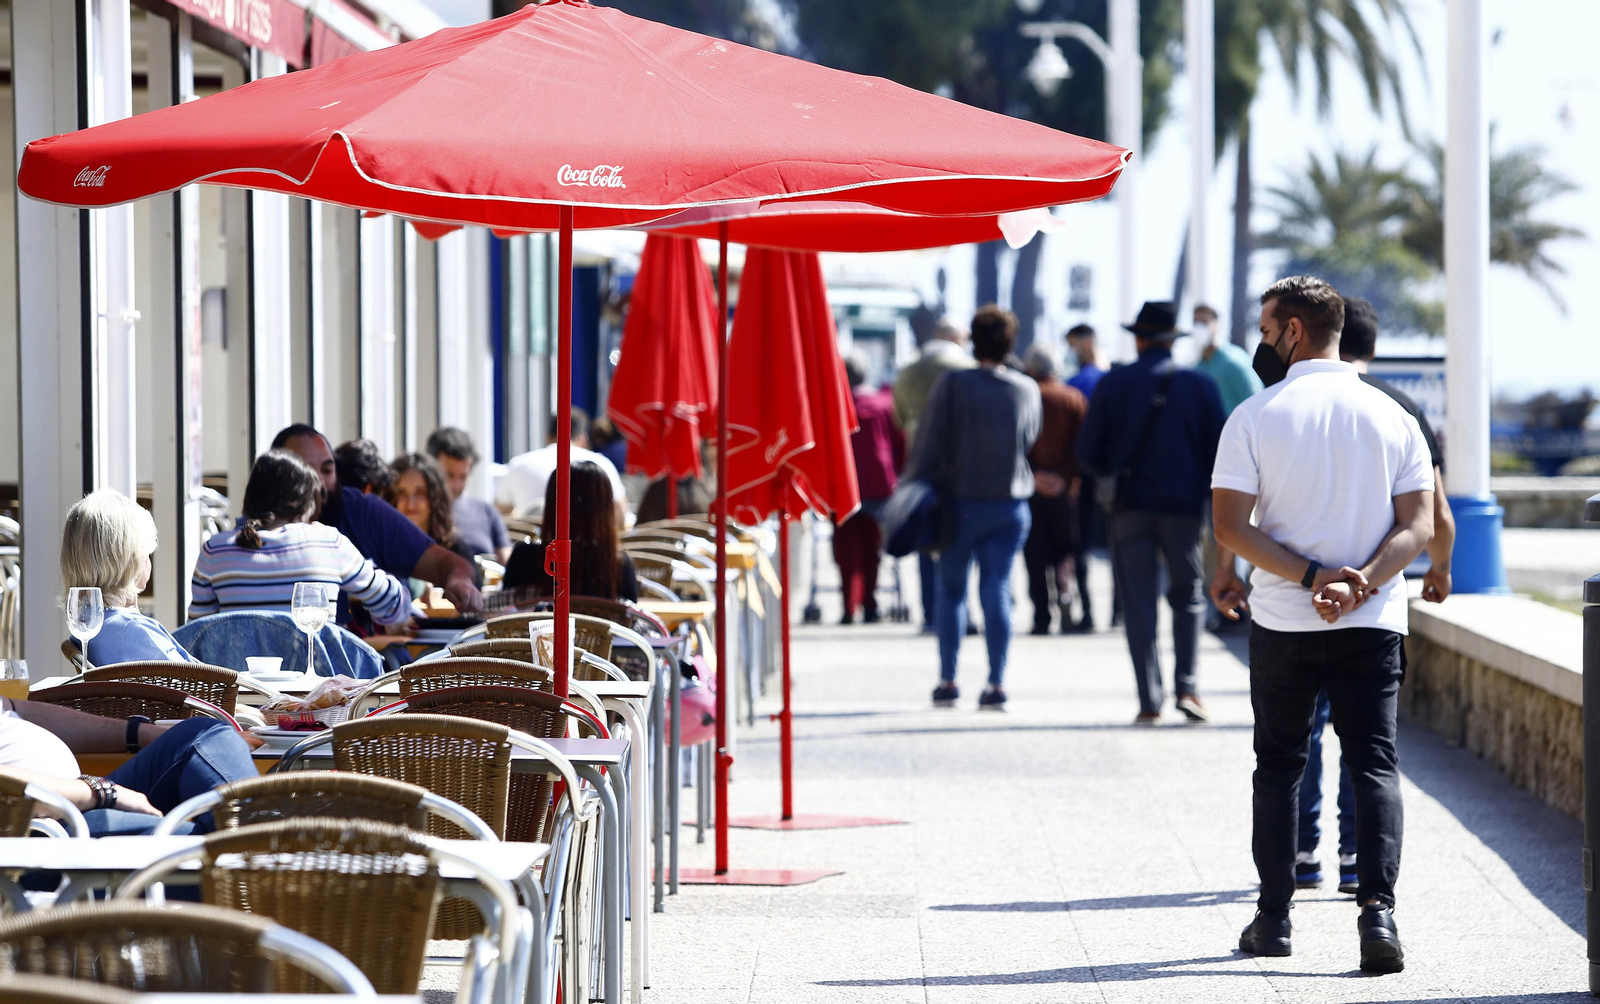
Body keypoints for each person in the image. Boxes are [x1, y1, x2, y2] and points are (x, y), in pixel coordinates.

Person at [1212, 275, 1433, 973]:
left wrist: (1312, 579)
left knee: (1278, 768)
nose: (1261, 340)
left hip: (1283, 622)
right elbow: (1419, 525)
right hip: (1373, 622)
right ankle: (1378, 919)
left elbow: (1229, 526)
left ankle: (1274, 919)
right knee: (1374, 763)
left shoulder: (1255, 415)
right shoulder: (1395, 417)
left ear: (1293, 332)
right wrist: (1360, 582)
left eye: (1266, 327)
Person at [1291, 295, 1459, 893]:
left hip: (1299, 599)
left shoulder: (1289, 403)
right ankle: (1357, 860)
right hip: (1377, 599)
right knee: (1368, 745)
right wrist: (1439, 568)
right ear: (1374, 344)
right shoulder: (1401, 406)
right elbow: (1433, 510)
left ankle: (1302, 852)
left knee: (1302, 733)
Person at [1077, 301, 1225, 725]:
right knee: (1189, 595)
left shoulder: (1113, 384)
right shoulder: (1200, 386)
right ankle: (1188, 686)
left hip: (1128, 506)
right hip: (1182, 509)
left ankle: (1149, 699)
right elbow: (1220, 453)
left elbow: (1087, 452)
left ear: (1139, 339)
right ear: (1171, 340)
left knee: (1138, 602)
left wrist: (1113, 470)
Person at [907, 305, 1040, 711]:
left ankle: (948, 679)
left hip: (959, 502)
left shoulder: (953, 385)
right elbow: (1030, 439)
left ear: (972, 340)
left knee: (951, 591)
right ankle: (996, 682)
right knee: (997, 588)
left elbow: (930, 442)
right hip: (1010, 503)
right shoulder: (1025, 388)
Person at [273, 424, 483, 615]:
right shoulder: (252, 538)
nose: (318, 481)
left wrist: (459, 582)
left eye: (327, 470)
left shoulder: (360, 513)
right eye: (305, 471)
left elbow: (448, 565)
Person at [189, 450, 413, 628]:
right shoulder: (327, 541)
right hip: (315, 684)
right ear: (308, 504)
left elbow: (198, 632)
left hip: (241, 684)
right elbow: (392, 606)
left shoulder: (214, 551)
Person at [0, 701, 256, 836]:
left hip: (76, 799)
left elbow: (13, 708)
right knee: (212, 848)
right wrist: (102, 792)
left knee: (204, 734)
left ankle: (263, 836)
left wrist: (141, 733)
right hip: (34, 831)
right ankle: (270, 857)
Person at [892, 317, 975, 633]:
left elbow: (898, 418)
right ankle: (961, 611)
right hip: (960, 465)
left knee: (926, 537)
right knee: (962, 539)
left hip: (919, 463)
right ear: (955, 338)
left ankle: (930, 612)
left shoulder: (909, 368)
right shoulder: (967, 369)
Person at [61, 489, 197, 666]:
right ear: (130, 563)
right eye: (147, 553)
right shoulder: (133, 631)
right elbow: (200, 683)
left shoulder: (88, 627)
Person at [1020, 346, 1088, 634]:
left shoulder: (1025, 396)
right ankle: (1065, 591)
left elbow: (1016, 442)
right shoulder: (1073, 398)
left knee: (1034, 552)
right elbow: (1085, 447)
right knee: (1065, 549)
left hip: (1029, 489)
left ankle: (1041, 616)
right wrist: (1064, 477)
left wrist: (1034, 475)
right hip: (1066, 491)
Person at [501, 461, 639, 602]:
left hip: (532, 623)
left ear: (552, 503)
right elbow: (630, 618)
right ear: (605, 509)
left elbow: (503, 614)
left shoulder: (523, 558)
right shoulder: (618, 564)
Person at [834, 353, 904, 624]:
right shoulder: (884, 404)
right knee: (872, 547)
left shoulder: (837, 405)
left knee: (845, 549)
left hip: (843, 484)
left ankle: (848, 606)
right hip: (878, 484)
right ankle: (871, 603)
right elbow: (899, 444)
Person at [498, 409, 628, 527]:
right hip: (588, 547)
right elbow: (620, 517)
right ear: (583, 439)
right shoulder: (600, 464)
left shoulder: (518, 464)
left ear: (547, 437)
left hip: (532, 546)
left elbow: (499, 514)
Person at [385, 452, 482, 586]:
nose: (411, 504)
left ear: (435, 498)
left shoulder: (456, 551)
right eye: (401, 494)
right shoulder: (380, 551)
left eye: (421, 494)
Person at [426, 427, 513, 564]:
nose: (456, 484)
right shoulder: (418, 510)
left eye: (463, 476)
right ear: (431, 469)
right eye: (449, 475)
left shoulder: (487, 511)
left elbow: (507, 561)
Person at [1192, 304, 1263, 416]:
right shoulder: (1198, 367)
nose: (1199, 327)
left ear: (1216, 325)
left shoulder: (1233, 360)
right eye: (1196, 322)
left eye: (1204, 321)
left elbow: (1256, 399)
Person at [1064, 323, 1108, 399]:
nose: (1070, 351)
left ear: (1087, 344)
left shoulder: (1078, 382)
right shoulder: (1111, 376)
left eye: (1072, 345)